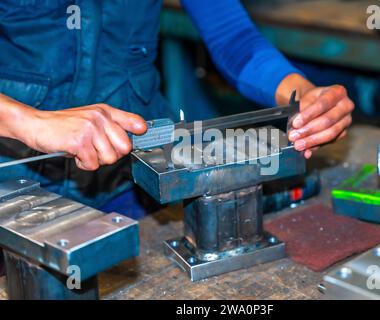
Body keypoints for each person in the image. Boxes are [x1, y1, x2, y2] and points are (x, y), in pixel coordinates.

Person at [0, 0, 353, 208]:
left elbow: (232, 36)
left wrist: (303, 95)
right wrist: (28, 122)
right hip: (12, 183)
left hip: (135, 175)